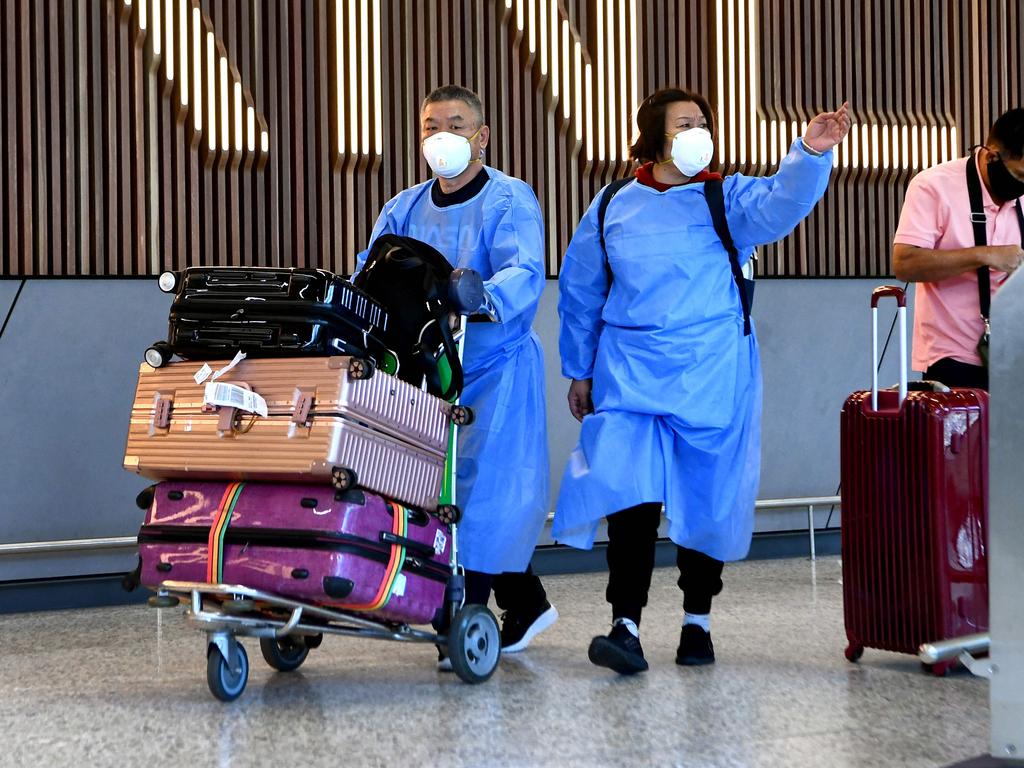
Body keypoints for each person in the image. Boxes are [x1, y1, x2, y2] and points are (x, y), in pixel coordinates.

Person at [554, 87, 849, 674]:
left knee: (706, 497)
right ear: (654, 134)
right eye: (685, 122)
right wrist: (579, 369)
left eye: (703, 121)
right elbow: (581, 291)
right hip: (629, 371)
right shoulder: (613, 204)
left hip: (711, 369)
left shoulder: (726, 196)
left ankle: (698, 623)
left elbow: (779, 203)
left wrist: (810, 154)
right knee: (630, 499)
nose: (698, 130)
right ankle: (625, 625)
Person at [356, 85, 556, 665]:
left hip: (493, 367)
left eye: (456, 124)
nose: (442, 135)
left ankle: (460, 614)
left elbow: (524, 270)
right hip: (427, 368)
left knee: (482, 494)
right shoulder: (404, 208)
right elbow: (374, 271)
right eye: (430, 125)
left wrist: (476, 295)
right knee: (428, 487)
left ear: (482, 136)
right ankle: (524, 601)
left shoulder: (509, 200)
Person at [893, 108, 1024, 390]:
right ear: (992, 156)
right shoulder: (933, 186)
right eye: (1019, 176)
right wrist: (984, 255)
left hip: (1016, 353)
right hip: (953, 357)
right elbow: (904, 263)